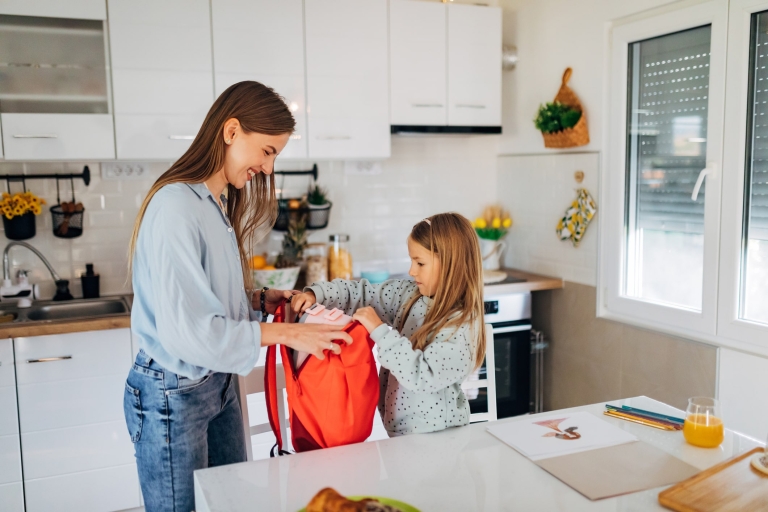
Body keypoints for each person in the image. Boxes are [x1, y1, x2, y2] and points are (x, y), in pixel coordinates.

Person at [124, 81, 353, 512]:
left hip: (215, 384)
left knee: (235, 504)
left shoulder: (213, 201)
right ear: (231, 132)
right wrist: (287, 334)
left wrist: (256, 298)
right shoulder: (176, 206)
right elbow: (192, 332)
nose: (268, 169)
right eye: (267, 151)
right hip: (174, 394)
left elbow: (202, 293)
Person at [292, 212, 486, 437]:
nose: (412, 271)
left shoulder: (461, 324)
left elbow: (422, 375)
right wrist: (319, 293)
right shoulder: (408, 294)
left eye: (420, 263)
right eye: (412, 261)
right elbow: (362, 293)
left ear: (452, 265)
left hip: (439, 439)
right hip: (402, 436)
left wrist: (380, 332)